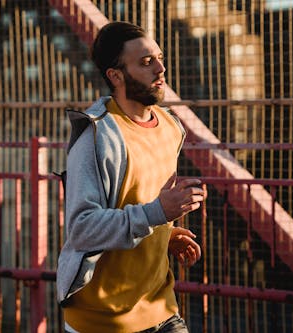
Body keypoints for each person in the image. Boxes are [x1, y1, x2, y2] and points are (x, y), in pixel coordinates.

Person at [56, 21, 205, 333]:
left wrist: (167, 233)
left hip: (161, 308)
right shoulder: (95, 138)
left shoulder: (170, 127)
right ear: (116, 75)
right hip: (101, 321)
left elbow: (142, 202)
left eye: (160, 58)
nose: (161, 68)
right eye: (146, 62)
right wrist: (157, 214)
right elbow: (82, 229)